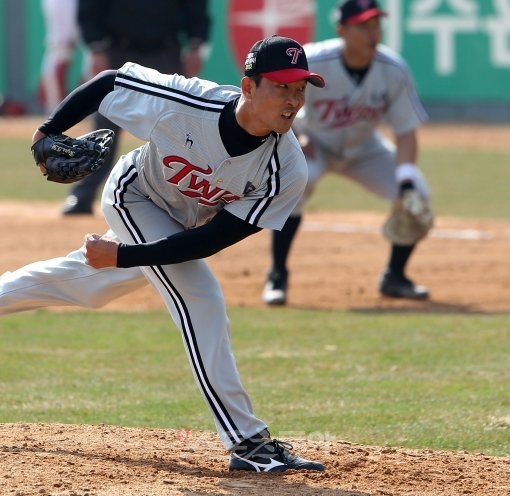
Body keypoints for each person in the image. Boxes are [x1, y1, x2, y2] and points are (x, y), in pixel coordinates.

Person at [0, 36, 327, 473]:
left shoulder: (286, 167)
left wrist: (120, 258)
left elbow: (209, 241)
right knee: (201, 299)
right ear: (248, 87)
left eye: (301, 89)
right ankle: (247, 441)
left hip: (183, 228)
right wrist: (48, 132)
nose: (293, 101)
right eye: (281, 87)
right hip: (134, 196)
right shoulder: (189, 102)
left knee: (87, 285)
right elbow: (109, 81)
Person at [261, 0, 433, 306]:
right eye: (363, 26)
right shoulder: (314, 59)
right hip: (314, 140)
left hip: (365, 148)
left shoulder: (392, 69)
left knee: (417, 192)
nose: (373, 33)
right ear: (342, 30)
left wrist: (405, 180)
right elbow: (273, 98)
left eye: (376, 24)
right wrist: (297, 134)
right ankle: (277, 275)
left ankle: (395, 277)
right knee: (298, 182)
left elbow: (406, 131)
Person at [62, 0, 211, 215]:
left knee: (179, 131)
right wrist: (95, 47)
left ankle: (193, 201)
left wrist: (197, 46)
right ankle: (83, 195)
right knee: (104, 128)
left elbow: (196, 8)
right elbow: (89, 8)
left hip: (166, 52)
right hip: (118, 51)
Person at [37, 0, 83, 114]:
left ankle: (87, 107)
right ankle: (55, 110)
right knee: (53, 66)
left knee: (90, 66)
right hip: (59, 42)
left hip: (71, 39)